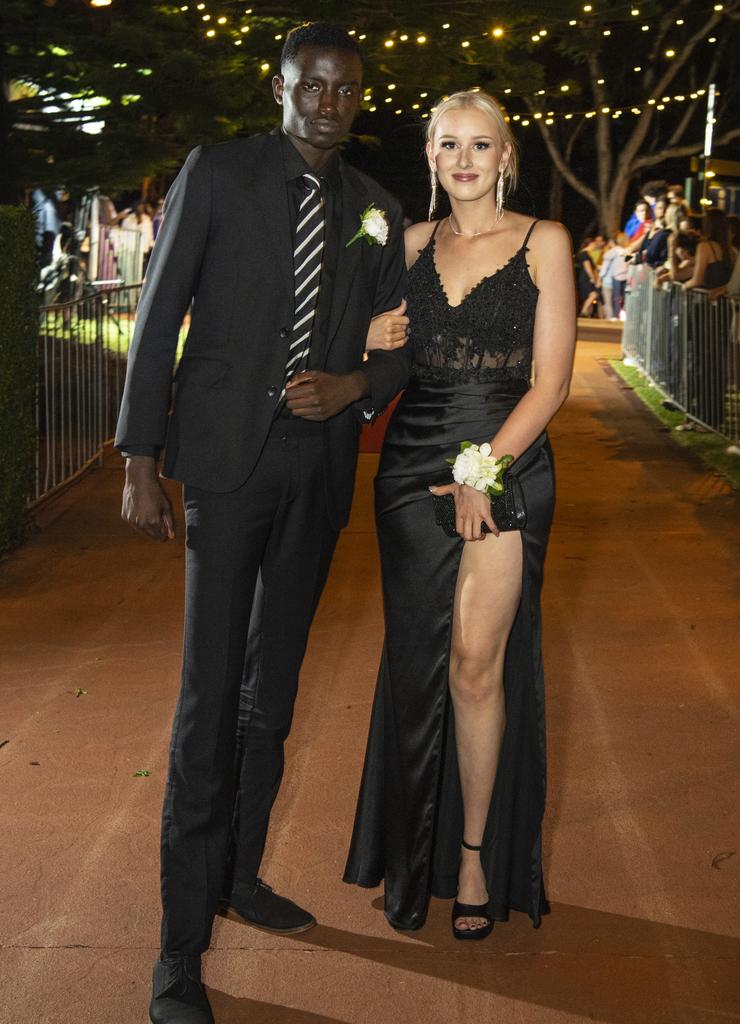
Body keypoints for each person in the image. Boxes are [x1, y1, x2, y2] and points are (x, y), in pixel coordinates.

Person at [115, 23, 411, 1024]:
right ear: (279, 86)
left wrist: (358, 383)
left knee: (269, 697)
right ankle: (177, 954)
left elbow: (402, 345)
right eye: (311, 84)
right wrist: (138, 458)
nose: (328, 101)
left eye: (345, 88)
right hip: (223, 471)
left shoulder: (377, 210)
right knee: (207, 709)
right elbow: (160, 311)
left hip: (316, 475)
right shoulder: (222, 173)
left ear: (361, 97)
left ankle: (240, 875)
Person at [344, 90, 576, 939]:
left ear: (506, 156)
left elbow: (551, 383)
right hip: (410, 469)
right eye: (450, 145)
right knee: (417, 666)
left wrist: (485, 469)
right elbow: (352, 351)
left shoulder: (544, 242)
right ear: (433, 157)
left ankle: (475, 856)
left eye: (482, 145)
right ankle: (409, 855)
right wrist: (364, 334)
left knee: (477, 665)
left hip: (508, 463)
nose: (466, 159)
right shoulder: (404, 246)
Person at [683, 207, 736, 292]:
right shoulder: (731, 249)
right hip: (724, 302)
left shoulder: (705, 247)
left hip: (707, 300)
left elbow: (697, 280)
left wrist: (685, 286)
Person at [576, 237, 600, 315]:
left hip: (585, 277)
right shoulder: (584, 254)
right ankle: (584, 311)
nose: (595, 247)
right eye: (594, 245)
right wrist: (592, 278)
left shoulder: (584, 253)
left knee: (589, 296)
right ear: (591, 244)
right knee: (594, 294)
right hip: (586, 278)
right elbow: (587, 267)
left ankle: (587, 312)